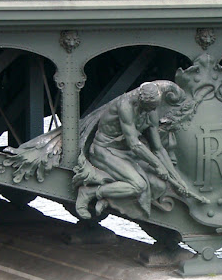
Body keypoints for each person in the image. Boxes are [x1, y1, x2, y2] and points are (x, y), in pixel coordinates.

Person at [74, 81, 204, 219]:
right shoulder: (125, 105)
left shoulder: (151, 110)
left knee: (159, 185)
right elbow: (134, 143)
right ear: (140, 101)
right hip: (105, 150)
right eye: (148, 108)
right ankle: (90, 193)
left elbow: (158, 148)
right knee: (139, 185)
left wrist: (178, 180)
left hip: (126, 153)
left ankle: (110, 197)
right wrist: (158, 165)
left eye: (153, 108)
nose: (151, 112)